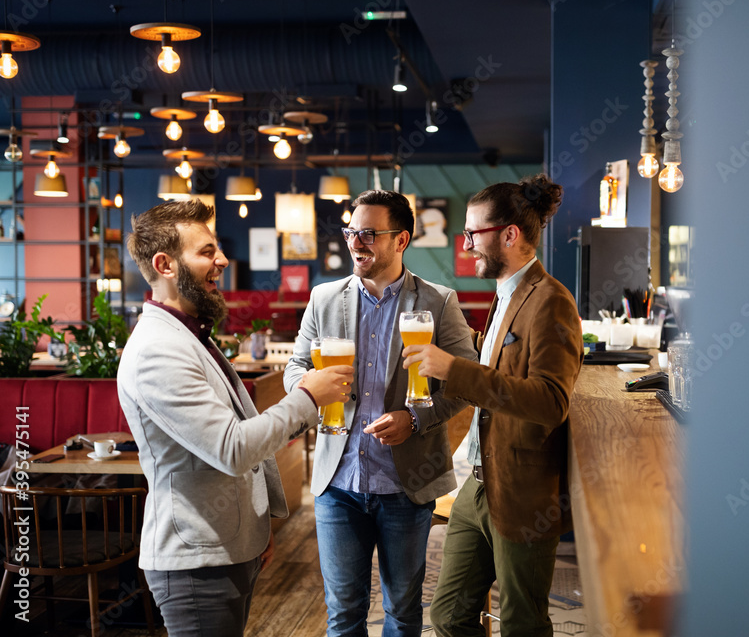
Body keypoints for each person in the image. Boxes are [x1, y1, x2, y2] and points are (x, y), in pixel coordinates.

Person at [118, 199, 353, 637]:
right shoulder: (157, 349)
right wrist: (307, 395)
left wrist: (254, 530)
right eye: (207, 251)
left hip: (224, 547)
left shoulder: (187, 333)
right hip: (195, 560)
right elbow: (232, 449)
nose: (222, 260)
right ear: (165, 264)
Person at [282, 190, 476, 636]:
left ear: (401, 239)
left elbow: (467, 381)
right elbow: (296, 366)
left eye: (368, 233)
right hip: (338, 482)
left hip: (406, 485)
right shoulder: (323, 298)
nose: (355, 242)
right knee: (343, 613)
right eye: (351, 231)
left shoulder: (438, 301)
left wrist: (417, 418)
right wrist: (310, 392)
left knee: (403, 611)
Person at [404, 174, 584, 636]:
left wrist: (455, 369)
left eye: (472, 233)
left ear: (509, 234)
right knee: (448, 615)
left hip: (525, 492)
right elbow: (496, 383)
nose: (465, 245)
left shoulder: (551, 302)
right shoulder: (506, 295)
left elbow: (550, 401)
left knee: (523, 624)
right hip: (477, 485)